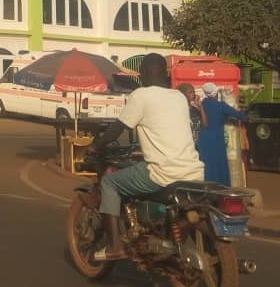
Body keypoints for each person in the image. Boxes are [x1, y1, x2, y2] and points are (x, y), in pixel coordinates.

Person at [88, 53, 204, 261]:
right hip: (193, 172)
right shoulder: (178, 96)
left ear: (142, 74)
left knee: (109, 183)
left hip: (162, 174)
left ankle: (115, 246)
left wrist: (95, 146)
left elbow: (118, 129)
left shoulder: (141, 95)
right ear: (165, 73)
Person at [197, 82, 248, 185]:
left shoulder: (201, 104)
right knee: (219, 164)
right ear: (216, 93)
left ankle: (206, 187)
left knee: (207, 164)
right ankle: (220, 187)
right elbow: (240, 116)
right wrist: (242, 111)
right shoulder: (220, 105)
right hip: (216, 139)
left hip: (203, 140)